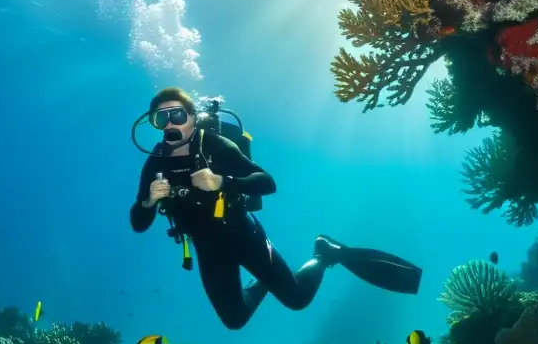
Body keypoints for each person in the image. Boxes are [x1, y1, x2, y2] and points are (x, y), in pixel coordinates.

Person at [130, 87, 423, 330]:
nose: (170, 124)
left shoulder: (216, 146)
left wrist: (223, 181)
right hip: (208, 250)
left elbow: (267, 183)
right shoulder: (155, 164)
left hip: (245, 236)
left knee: (296, 300)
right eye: (161, 119)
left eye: (177, 115)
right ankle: (267, 280)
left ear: (192, 118)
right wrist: (148, 202)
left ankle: (324, 254)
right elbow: (139, 224)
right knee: (234, 320)